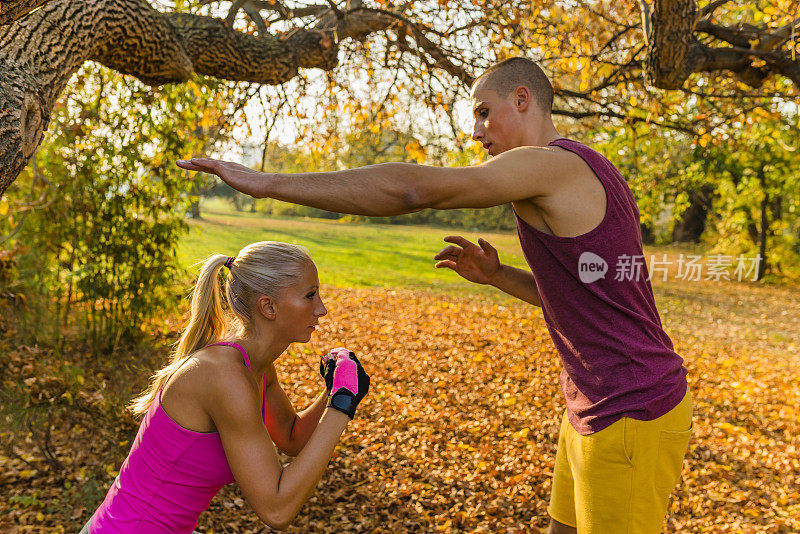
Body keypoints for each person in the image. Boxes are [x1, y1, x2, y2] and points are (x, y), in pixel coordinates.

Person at [177, 57, 692, 534]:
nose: (476, 132)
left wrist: (267, 183)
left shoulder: (550, 165)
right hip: (593, 405)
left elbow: (412, 192)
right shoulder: (575, 170)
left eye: (484, 114)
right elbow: (584, 293)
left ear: (522, 99)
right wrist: (498, 276)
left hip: (630, 409)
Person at [80, 241, 370, 533]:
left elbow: (291, 437)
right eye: (310, 295)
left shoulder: (253, 364)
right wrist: (341, 406)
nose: (322, 309)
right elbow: (277, 510)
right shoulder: (225, 376)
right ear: (268, 306)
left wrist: (334, 391)